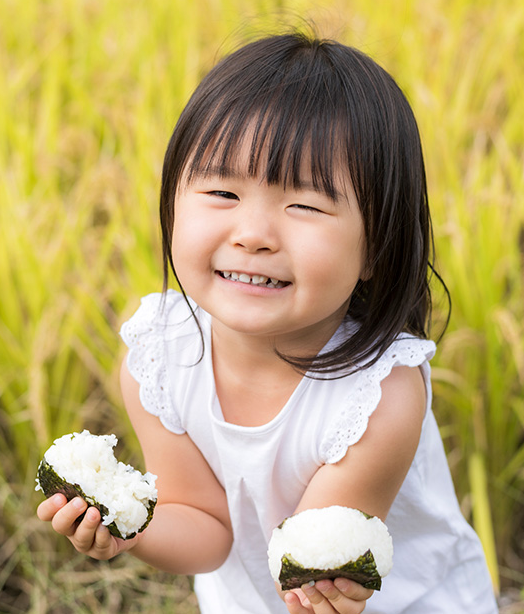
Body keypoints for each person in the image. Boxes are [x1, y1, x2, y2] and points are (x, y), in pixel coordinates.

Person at [38, 30, 498, 614]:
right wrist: (128, 529)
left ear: (376, 246)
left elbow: (311, 569)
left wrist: (323, 589)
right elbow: (205, 528)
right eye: (223, 191)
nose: (253, 234)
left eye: (304, 205)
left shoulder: (378, 395)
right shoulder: (160, 354)